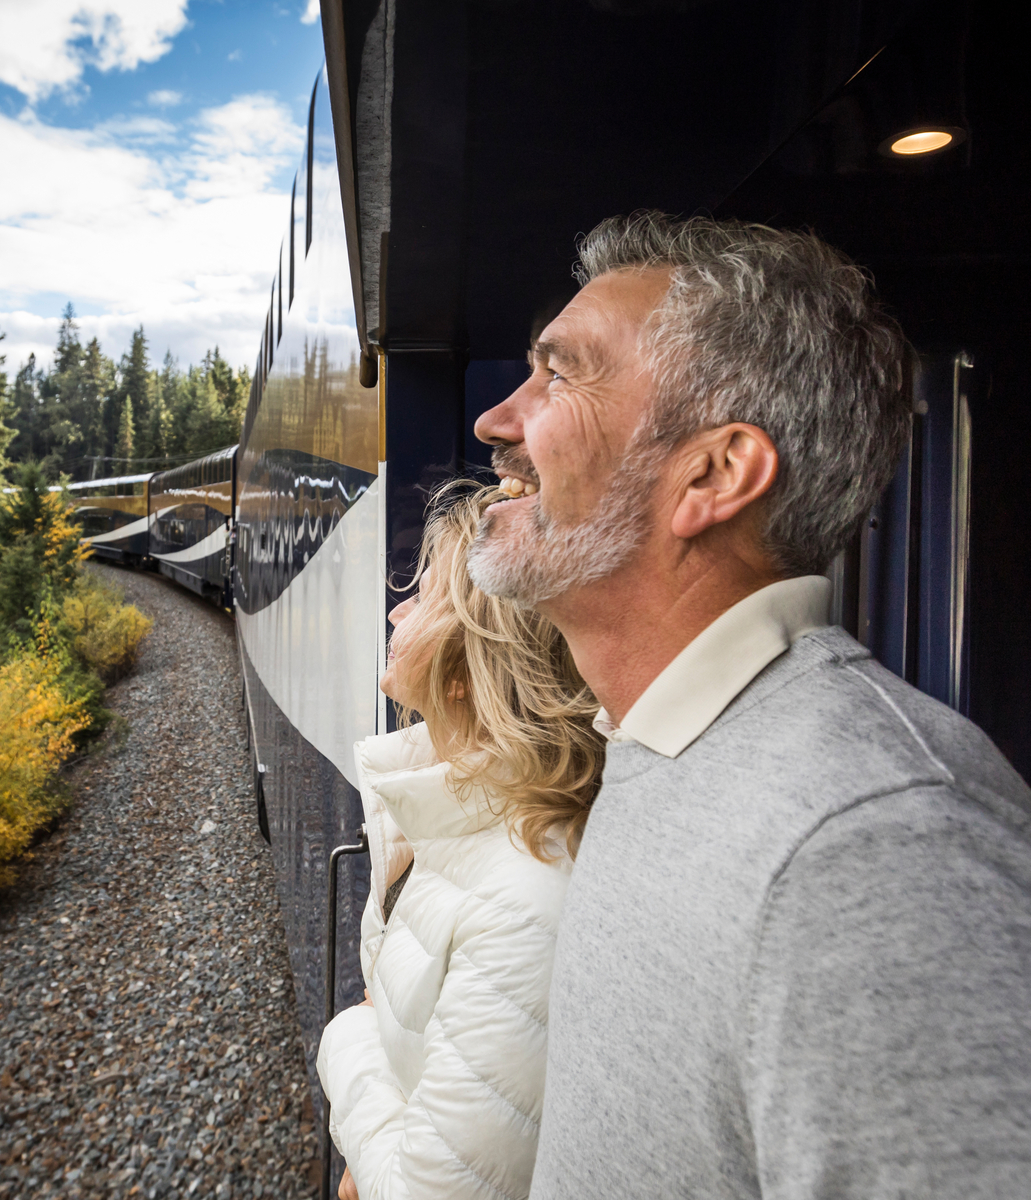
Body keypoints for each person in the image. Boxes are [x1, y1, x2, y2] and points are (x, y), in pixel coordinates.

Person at [468, 211, 1031, 1198]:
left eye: (561, 375)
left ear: (714, 475)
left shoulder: (873, 846)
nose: (498, 422)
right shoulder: (669, 748)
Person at [316, 483, 605, 1200]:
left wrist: (347, 1040)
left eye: (422, 598)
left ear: (464, 669)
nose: (396, 610)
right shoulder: (459, 826)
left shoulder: (528, 897)